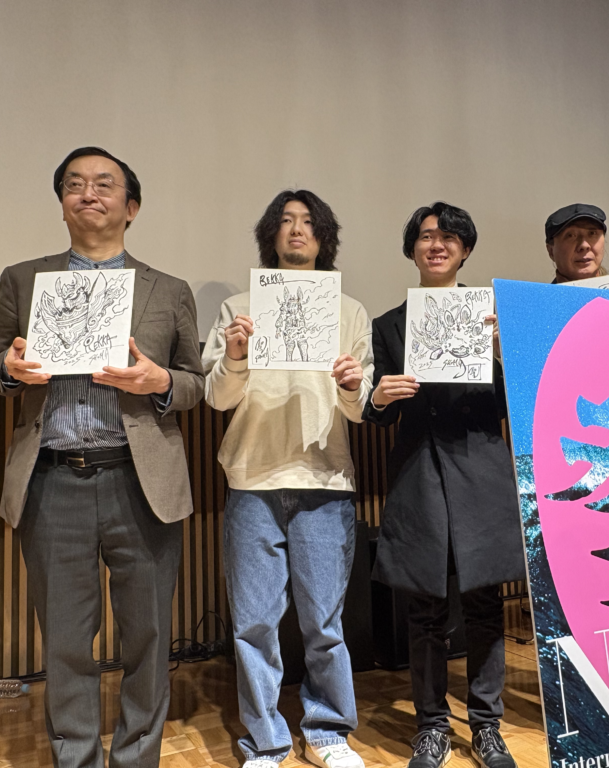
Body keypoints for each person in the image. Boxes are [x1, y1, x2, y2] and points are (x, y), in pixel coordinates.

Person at [0, 146, 205, 768]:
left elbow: (194, 381)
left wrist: (160, 382)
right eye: (75, 185)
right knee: (65, 642)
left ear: (131, 207)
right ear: (61, 204)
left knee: (148, 638)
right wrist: (8, 369)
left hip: (141, 482)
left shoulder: (170, 290)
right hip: (54, 481)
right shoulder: (23, 280)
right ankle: (76, 758)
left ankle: (137, 758)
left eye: (105, 184)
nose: (89, 193)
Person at [202, 190, 373, 768]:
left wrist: (352, 384)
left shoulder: (349, 311)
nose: (296, 230)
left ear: (324, 237)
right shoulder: (239, 308)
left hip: (326, 479)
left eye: (308, 222)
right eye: (285, 221)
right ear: (270, 235)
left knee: (324, 622)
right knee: (254, 623)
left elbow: (359, 411)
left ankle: (328, 733)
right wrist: (236, 355)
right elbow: (217, 397)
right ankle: (266, 741)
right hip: (253, 477)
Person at [363, 202, 525, 768]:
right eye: (427, 236)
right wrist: (379, 396)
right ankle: (431, 725)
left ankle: (486, 725)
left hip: (481, 471)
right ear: (412, 250)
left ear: (466, 250)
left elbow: (516, 403)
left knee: (484, 605)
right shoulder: (388, 325)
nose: (437, 244)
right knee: (425, 609)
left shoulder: (493, 319)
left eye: (449, 237)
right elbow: (378, 413)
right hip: (419, 473)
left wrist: (504, 352)